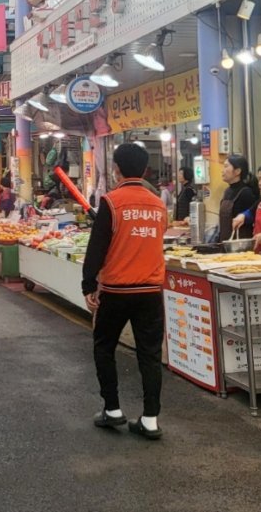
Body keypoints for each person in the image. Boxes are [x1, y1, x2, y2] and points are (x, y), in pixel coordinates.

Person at [80, 142, 166, 440]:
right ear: (144, 169)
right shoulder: (158, 204)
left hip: (116, 290)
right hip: (151, 291)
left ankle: (113, 409)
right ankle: (151, 418)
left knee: (104, 346)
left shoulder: (112, 202)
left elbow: (97, 247)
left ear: (116, 169)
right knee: (150, 355)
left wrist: (88, 283)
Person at [216, 154, 258, 242]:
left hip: (240, 243)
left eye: (226, 167)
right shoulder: (227, 191)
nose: (222, 171)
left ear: (237, 171)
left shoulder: (246, 192)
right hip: (225, 241)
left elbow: (253, 218)